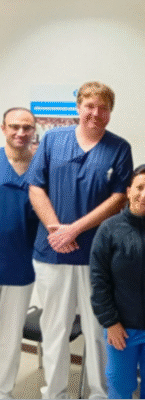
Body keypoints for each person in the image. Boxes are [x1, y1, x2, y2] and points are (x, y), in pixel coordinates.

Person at [27, 81, 133, 399]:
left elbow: (119, 198)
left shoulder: (119, 148)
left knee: (98, 329)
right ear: (78, 107)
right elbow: (36, 187)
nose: (96, 113)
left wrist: (74, 230)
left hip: (96, 255)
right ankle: (55, 392)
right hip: (53, 252)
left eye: (103, 108)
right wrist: (57, 231)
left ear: (110, 113)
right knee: (55, 328)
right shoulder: (52, 140)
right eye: (90, 106)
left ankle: (100, 392)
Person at [90, 166, 145, 399]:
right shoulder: (109, 229)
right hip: (121, 328)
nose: (144, 195)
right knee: (120, 387)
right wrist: (110, 322)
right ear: (128, 191)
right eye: (139, 188)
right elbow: (98, 280)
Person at [0, 108, 38, 399]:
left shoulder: (41, 169)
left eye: (27, 127)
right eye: (14, 126)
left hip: (20, 266)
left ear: (34, 130)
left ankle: (3, 390)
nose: (21, 133)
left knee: (10, 335)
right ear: (3, 128)